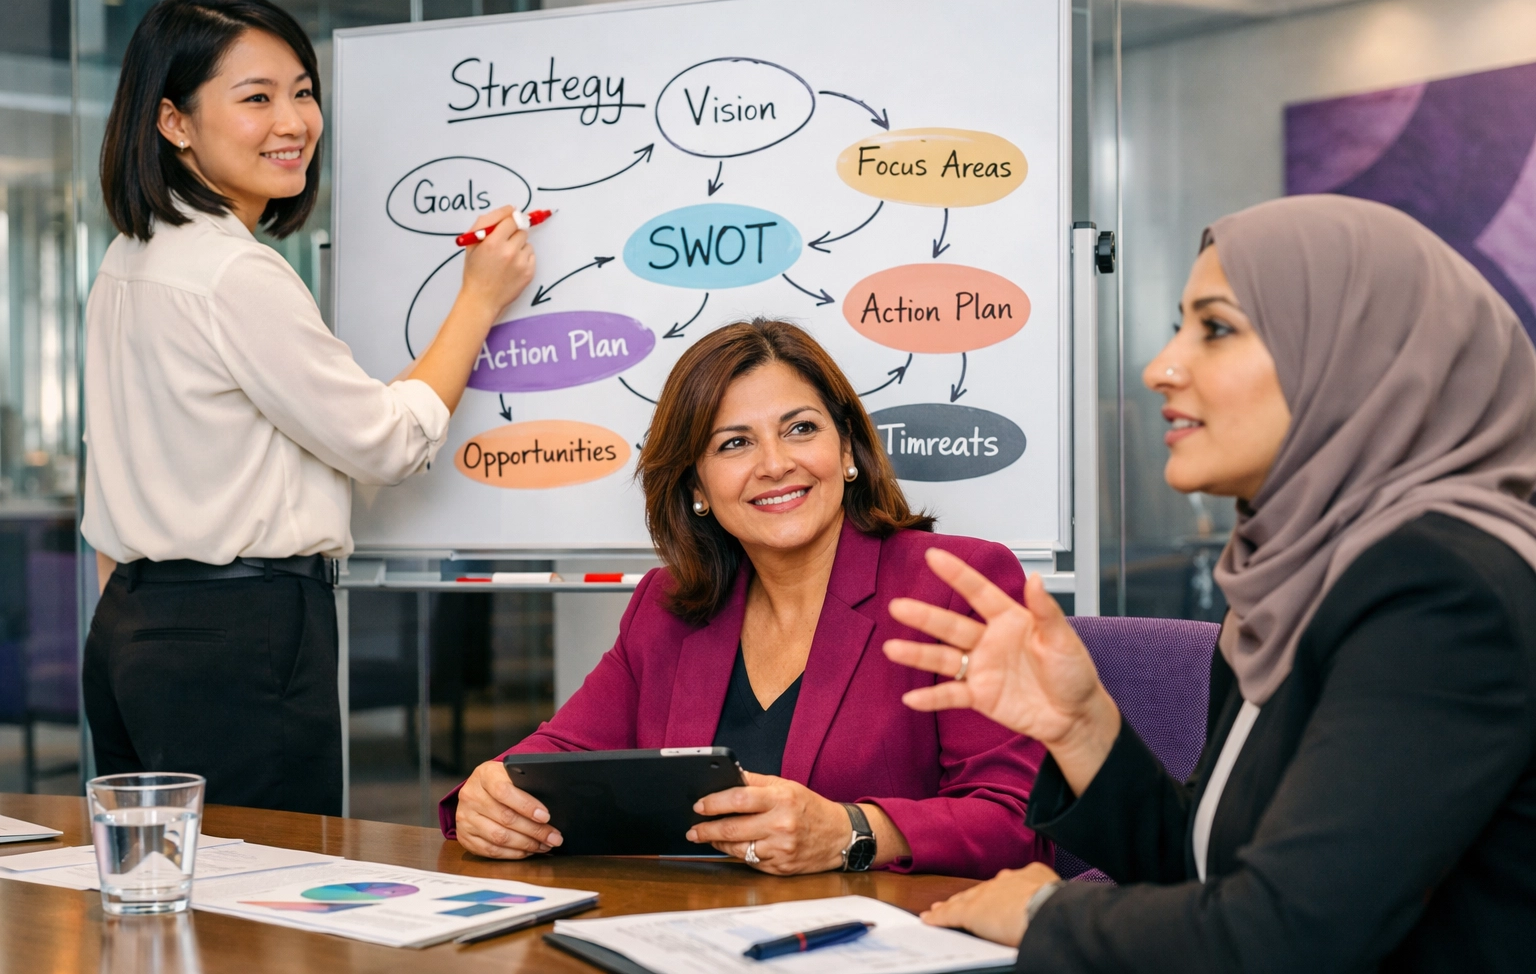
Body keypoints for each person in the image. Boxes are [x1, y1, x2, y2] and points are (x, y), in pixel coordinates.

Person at [882, 195, 1536, 970]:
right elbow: (1207, 872)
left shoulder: (1437, 589)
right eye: (1177, 327)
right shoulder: (1294, 573)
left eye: (1217, 328)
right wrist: (1083, 726)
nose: (1160, 368)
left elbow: (1288, 936)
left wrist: (1045, 913)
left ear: (1358, 359)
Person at [82, 0, 536, 815]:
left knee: (169, 878)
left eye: (302, 91)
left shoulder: (130, 257)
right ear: (174, 121)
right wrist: (479, 299)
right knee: (270, 882)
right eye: (256, 98)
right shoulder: (233, 273)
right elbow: (388, 442)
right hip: (239, 633)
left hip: (131, 626)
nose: (294, 122)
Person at [444, 319, 1051, 878]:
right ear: (696, 485)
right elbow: (553, 758)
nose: (775, 464)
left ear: (846, 450)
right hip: (697, 933)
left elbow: (1021, 823)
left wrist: (852, 831)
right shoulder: (666, 606)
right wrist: (490, 797)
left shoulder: (956, 584)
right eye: (734, 443)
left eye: (800, 429)